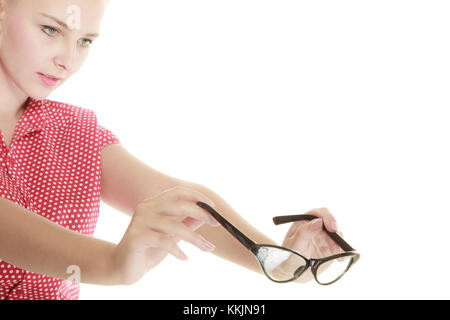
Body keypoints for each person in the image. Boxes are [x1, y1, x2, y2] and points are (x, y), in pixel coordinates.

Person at [0, 0, 342, 300]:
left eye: (85, 41)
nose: (69, 60)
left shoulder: (75, 131)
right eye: (50, 29)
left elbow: (180, 199)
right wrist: (115, 264)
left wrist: (281, 263)